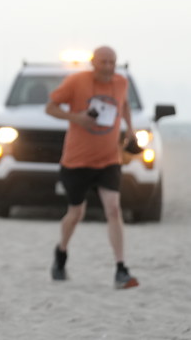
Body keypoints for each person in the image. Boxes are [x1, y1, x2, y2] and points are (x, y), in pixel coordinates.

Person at [44, 45, 139, 289]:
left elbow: (124, 105)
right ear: (93, 62)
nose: (108, 67)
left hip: (109, 159)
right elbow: (50, 107)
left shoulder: (121, 82)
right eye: (103, 62)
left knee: (114, 209)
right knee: (76, 213)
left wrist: (131, 130)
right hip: (76, 161)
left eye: (112, 62)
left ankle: (121, 268)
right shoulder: (76, 82)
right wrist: (77, 118)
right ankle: (61, 252)